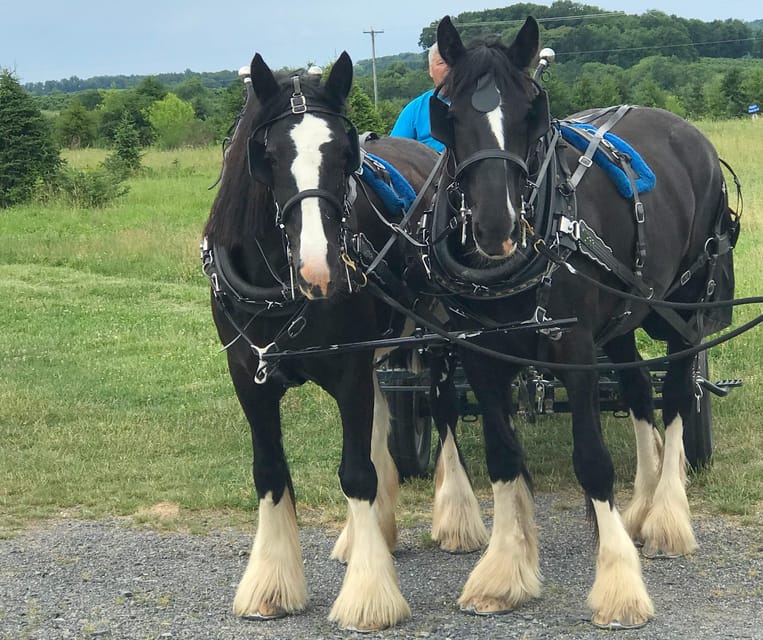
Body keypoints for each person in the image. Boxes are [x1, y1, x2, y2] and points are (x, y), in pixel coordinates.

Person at [390, 43, 449, 152]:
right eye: (441, 62)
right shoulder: (414, 109)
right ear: (430, 71)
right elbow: (393, 153)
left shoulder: (478, 104)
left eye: (453, 61)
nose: (448, 67)